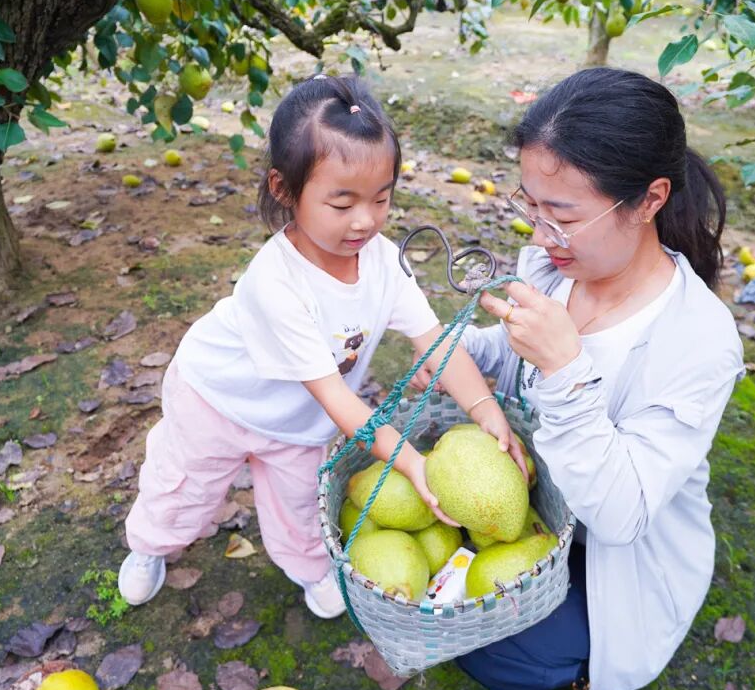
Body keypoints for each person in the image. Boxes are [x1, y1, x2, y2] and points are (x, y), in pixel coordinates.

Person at [118, 75, 523, 619]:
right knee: (184, 489)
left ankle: (310, 569)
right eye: (342, 203)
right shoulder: (275, 282)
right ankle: (150, 544)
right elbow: (336, 397)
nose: (365, 220)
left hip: (296, 422)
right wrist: (410, 464)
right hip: (215, 399)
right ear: (285, 190)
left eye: (381, 198)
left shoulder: (382, 263)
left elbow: (437, 345)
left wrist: (486, 410)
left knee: (300, 508)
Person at [417, 68, 744, 690]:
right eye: (530, 206)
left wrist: (568, 374)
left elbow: (621, 516)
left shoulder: (698, 341)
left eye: (561, 215)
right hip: (535, 506)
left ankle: (587, 683)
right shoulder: (550, 263)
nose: (539, 235)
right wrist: (471, 350)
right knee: (437, 593)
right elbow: (512, 355)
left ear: (649, 201)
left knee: (492, 642)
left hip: (613, 555)